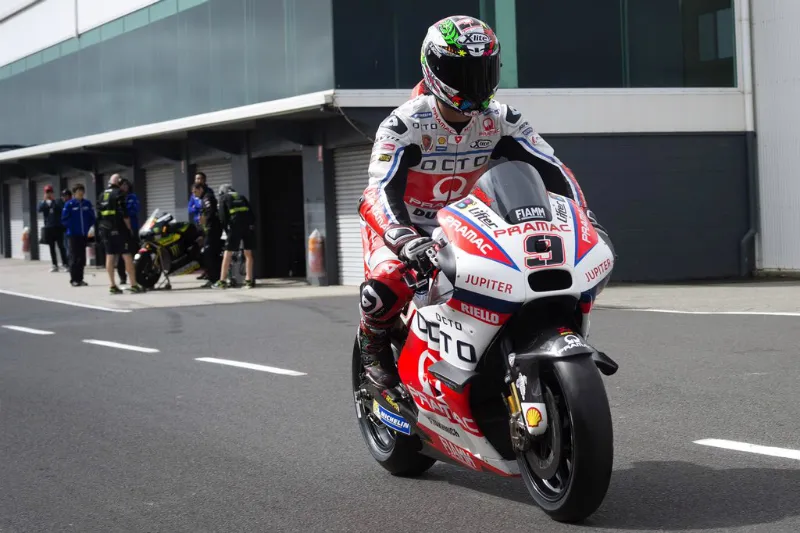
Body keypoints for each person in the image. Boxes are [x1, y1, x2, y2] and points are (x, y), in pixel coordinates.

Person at [357, 15, 614, 388]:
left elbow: (554, 170)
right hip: (404, 226)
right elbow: (378, 190)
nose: (474, 84)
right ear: (433, 69)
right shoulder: (404, 124)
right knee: (387, 282)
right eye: (461, 72)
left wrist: (584, 217)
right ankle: (372, 340)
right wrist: (403, 237)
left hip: (463, 224)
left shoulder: (503, 119)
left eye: (483, 71)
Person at [96, 174, 144, 294]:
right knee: (127, 255)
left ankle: (112, 286)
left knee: (110, 255)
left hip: (105, 229)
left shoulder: (102, 195)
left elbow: (98, 214)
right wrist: (129, 228)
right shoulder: (119, 193)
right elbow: (124, 214)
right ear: (118, 182)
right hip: (119, 229)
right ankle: (133, 285)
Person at [215, 184, 256, 289]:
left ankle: (222, 281)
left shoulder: (224, 198)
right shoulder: (242, 197)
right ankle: (249, 281)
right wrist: (251, 226)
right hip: (247, 226)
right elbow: (251, 214)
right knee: (248, 253)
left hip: (234, 227)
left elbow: (222, 217)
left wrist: (226, 230)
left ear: (222, 192)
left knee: (227, 253)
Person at [60, 184, 95, 287]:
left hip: (84, 234)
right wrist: (72, 227)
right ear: (74, 193)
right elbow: (64, 220)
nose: (81, 193)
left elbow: (92, 217)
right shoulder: (69, 204)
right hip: (73, 235)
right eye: (79, 191)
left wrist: (89, 228)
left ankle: (80, 279)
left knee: (82, 258)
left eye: (82, 191)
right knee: (74, 257)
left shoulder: (87, 203)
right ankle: (74, 279)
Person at [193, 182, 222, 288]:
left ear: (200, 189)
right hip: (209, 230)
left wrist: (204, 221)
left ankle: (214, 279)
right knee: (209, 255)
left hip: (212, 230)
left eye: (195, 191)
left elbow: (210, 212)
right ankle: (213, 278)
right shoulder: (204, 198)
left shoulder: (207, 197)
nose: (194, 194)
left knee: (209, 255)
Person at [38, 184, 68, 272]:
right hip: (49, 228)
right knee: (52, 247)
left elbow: (61, 209)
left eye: (50, 192)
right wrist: (45, 201)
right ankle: (54, 265)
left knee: (61, 246)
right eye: (47, 192)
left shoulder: (57, 202)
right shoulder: (43, 203)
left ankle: (65, 264)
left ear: (53, 193)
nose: (49, 194)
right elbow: (39, 209)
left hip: (58, 227)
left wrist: (52, 202)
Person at [116, 178, 141, 286]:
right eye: (122, 185)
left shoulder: (133, 197)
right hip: (121, 228)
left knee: (135, 252)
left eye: (126, 184)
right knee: (122, 254)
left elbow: (136, 209)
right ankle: (122, 277)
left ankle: (137, 275)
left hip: (133, 227)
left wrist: (126, 211)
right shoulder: (117, 197)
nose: (125, 186)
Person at [189, 172, 212, 280]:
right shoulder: (194, 194)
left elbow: (208, 208)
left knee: (207, 248)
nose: (198, 180)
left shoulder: (208, 192)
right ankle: (204, 270)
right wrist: (197, 207)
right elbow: (190, 209)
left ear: (204, 180)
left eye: (200, 178)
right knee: (198, 248)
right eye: (196, 178)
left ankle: (209, 271)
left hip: (207, 224)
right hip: (198, 223)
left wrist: (198, 206)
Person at [61, 189, 73, 265]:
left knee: (70, 248)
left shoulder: (72, 204)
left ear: (69, 196)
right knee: (66, 247)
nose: (63, 198)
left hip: (71, 230)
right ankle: (68, 264)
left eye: (64, 196)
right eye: (62, 196)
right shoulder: (63, 205)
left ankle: (70, 264)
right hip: (65, 230)